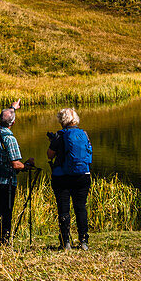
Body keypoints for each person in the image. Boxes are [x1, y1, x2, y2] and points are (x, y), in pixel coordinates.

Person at [0, 99, 36, 245]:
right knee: (7, 212)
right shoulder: (10, 138)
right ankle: (5, 241)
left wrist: (12, 108)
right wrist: (27, 166)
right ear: (13, 123)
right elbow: (15, 164)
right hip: (6, 182)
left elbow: (2, 119)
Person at [47, 107, 93, 250]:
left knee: (64, 209)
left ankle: (66, 242)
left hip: (62, 177)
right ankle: (83, 241)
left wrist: (52, 142)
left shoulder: (59, 135)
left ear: (62, 120)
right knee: (81, 208)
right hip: (83, 175)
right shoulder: (84, 134)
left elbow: (50, 155)